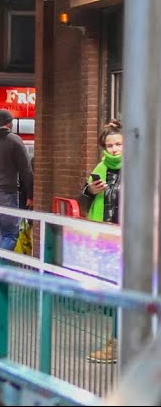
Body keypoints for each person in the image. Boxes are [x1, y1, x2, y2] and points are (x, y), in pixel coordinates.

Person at [83, 119, 123, 364]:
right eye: (110, 145)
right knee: (117, 291)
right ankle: (118, 342)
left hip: (132, 237)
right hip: (108, 237)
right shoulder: (99, 168)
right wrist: (90, 191)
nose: (115, 149)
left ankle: (119, 343)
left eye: (119, 143)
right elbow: (85, 198)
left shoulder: (139, 166)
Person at [0, 109, 33, 250]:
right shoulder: (14, 141)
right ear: (9, 124)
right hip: (7, 194)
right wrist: (30, 195)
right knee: (9, 235)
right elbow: (26, 171)